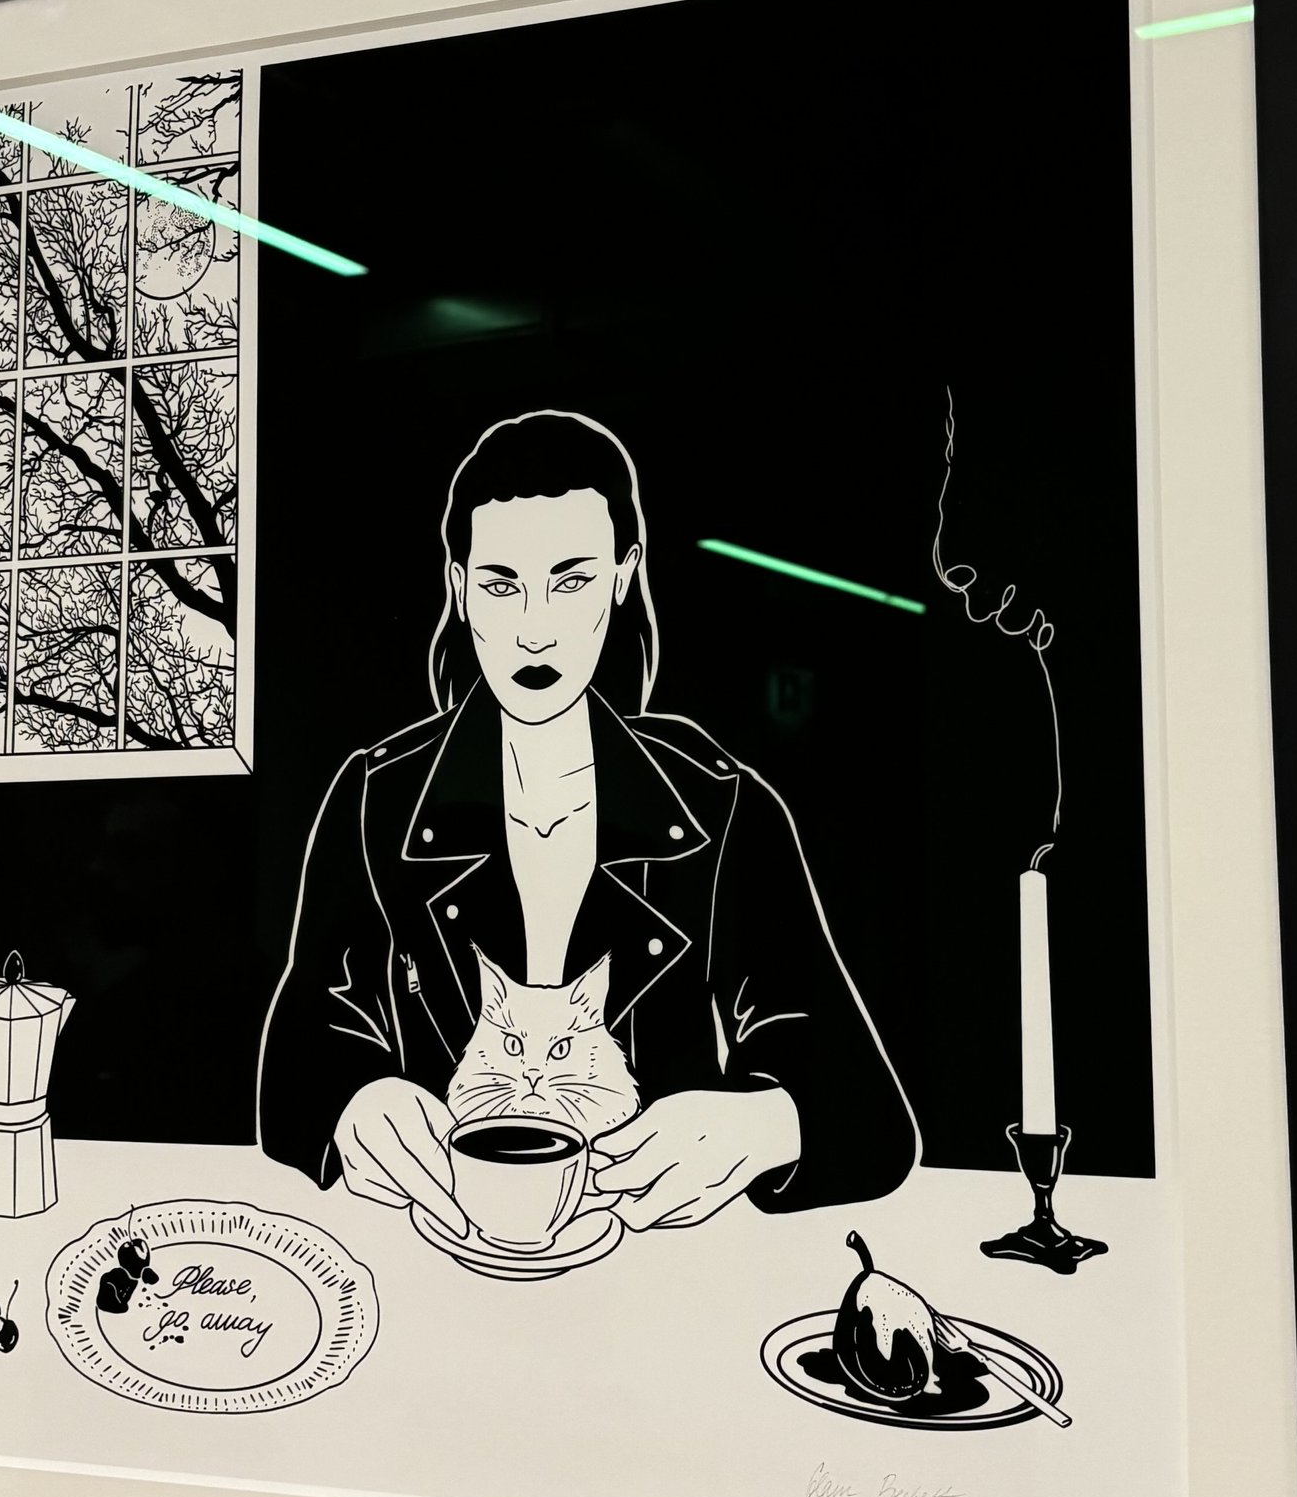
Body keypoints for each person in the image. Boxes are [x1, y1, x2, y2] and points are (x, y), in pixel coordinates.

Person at [256, 409, 918, 1233]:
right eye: (501, 583)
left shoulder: (720, 807)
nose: (534, 627)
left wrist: (763, 1125)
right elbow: (302, 1049)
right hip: (436, 1260)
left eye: (570, 580)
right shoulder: (375, 799)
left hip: (661, 1273)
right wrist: (355, 1103)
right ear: (458, 588)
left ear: (622, 576)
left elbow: (869, 1110)